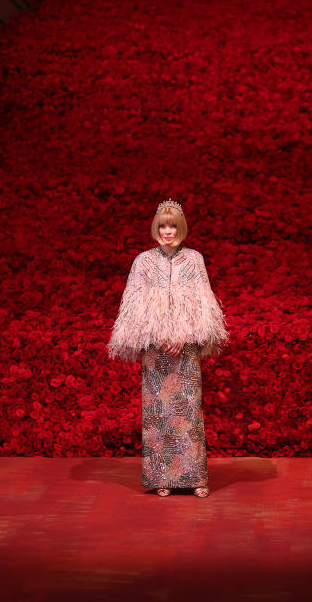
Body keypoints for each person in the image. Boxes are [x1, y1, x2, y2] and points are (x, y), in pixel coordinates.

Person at [107, 199, 229, 498]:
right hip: (156, 351)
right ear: (155, 228)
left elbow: (203, 304)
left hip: (185, 350)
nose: (168, 231)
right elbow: (133, 306)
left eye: (173, 225)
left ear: (181, 228)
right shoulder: (143, 262)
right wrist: (159, 335)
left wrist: (183, 336)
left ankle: (194, 478)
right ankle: (162, 478)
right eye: (162, 225)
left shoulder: (194, 260)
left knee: (187, 412)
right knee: (158, 413)